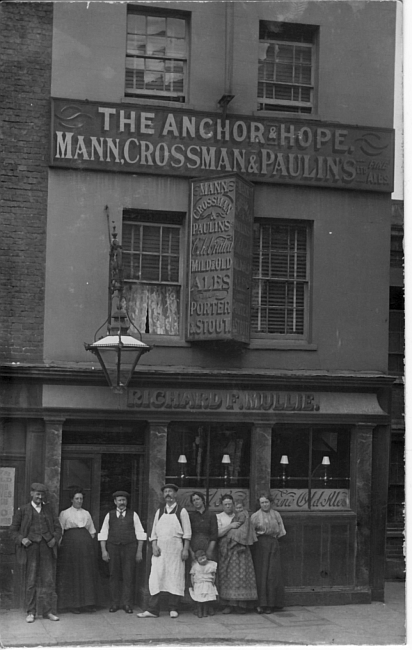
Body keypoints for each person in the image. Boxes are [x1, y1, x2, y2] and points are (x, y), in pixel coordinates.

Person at [9, 482, 62, 623]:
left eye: (42, 494)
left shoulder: (49, 510)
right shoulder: (23, 510)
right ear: (31, 494)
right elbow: (12, 530)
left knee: (48, 580)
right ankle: (31, 612)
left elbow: (58, 528)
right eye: (37, 494)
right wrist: (22, 539)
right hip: (30, 549)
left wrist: (54, 540)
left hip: (47, 548)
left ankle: (48, 611)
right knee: (31, 580)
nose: (40, 497)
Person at [137, 483, 191, 619]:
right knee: (156, 577)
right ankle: (153, 609)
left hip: (175, 549)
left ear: (175, 494)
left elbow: (187, 533)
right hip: (160, 550)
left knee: (175, 576)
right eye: (166, 491)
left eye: (171, 491)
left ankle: (173, 607)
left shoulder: (182, 511)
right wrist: (154, 546)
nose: (168, 494)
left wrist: (185, 549)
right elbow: (154, 531)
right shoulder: (159, 511)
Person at [99, 490, 146, 614]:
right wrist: (104, 551)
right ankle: (114, 603)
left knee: (128, 575)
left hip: (129, 547)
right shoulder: (109, 515)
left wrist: (139, 551)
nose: (122, 502)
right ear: (115, 502)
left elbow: (140, 534)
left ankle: (127, 603)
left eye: (124, 500)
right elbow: (103, 534)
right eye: (119, 500)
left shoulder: (133, 515)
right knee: (114, 575)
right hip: (113, 547)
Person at [57, 486, 99, 614]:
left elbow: (92, 531)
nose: (79, 501)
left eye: (81, 498)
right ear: (71, 499)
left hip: (85, 547)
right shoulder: (65, 513)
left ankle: (87, 603)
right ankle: (73, 604)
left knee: (86, 573)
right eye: (77, 498)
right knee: (72, 573)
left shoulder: (86, 513)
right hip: (70, 547)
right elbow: (61, 530)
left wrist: (86, 543)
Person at [217, 494, 257, 614]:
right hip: (226, 549)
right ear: (222, 505)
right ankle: (228, 604)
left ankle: (241, 604)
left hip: (240, 549)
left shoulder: (241, 515)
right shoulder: (219, 517)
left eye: (230, 504)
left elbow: (247, 529)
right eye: (226, 504)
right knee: (227, 576)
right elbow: (217, 533)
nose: (228, 506)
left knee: (241, 576)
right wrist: (230, 526)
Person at [250, 493, 286, 614]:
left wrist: (273, 540)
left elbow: (281, 531)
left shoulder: (276, 514)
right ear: (259, 504)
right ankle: (261, 604)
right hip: (260, 545)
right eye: (262, 503)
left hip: (273, 544)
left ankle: (272, 604)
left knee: (272, 574)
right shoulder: (255, 516)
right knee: (262, 573)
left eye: (266, 502)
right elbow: (251, 533)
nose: (265, 504)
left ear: (270, 503)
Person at [189, 491, 218, 560]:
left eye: (198, 499)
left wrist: (210, 550)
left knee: (209, 569)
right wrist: (191, 552)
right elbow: (187, 534)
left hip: (208, 546)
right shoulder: (190, 516)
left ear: (202, 500)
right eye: (194, 500)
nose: (196, 501)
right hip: (194, 547)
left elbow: (214, 534)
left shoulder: (211, 515)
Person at [189, 549, 218, 618]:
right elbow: (192, 575)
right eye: (200, 558)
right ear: (197, 560)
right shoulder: (195, 566)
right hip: (198, 584)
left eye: (204, 557)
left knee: (207, 599)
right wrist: (193, 584)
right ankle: (200, 611)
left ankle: (205, 612)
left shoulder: (210, 565)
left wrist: (213, 582)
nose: (203, 559)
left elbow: (213, 575)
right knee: (199, 599)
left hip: (207, 584)